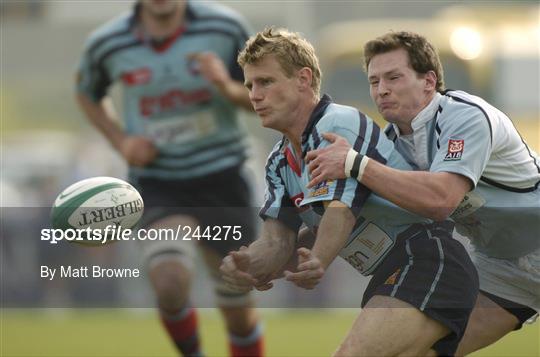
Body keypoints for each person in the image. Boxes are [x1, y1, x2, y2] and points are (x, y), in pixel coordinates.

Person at [221, 27, 479, 356]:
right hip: (394, 275)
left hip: (429, 262)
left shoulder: (335, 125)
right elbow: (277, 241)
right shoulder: (278, 162)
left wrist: (319, 259)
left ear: (303, 79)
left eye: (265, 82)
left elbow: (339, 211)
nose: (254, 95)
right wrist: (247, 263)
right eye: (249, 85)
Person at [304, 31, 540, 354]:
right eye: (374, 82)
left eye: (394, 77)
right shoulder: (386, 143)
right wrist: (277, 250)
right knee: (418, 349)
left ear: (429, 82)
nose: (382, 89)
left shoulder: (464, 115)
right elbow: (356, 210)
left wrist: (353, 163)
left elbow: (441, 200)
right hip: (500, 268)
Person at [75, 1, 264, 356]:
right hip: (159, 182)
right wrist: (122, 141)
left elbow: (259, 98)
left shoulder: (225, 27)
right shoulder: (108, 42)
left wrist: (225, 85)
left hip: (223, 179)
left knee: (238, 311)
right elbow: (87, 93)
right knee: (169, 283)